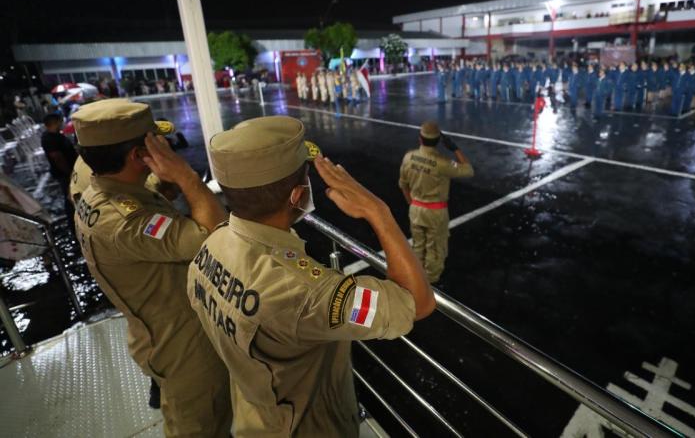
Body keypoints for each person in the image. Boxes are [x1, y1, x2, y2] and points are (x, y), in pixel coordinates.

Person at [188, 116, 435, 436]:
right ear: (296, 195)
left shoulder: (211, 246)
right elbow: (417, 303)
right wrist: (378, 211)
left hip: (255, 418)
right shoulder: (303, 292)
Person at [70, 99, 233, 437]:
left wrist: (162, 189)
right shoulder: (122, 220)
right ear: (137, 155)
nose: (163, 145)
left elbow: (138, 211)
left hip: (158, 329)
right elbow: (212, 233)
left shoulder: (98, 192)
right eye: (154, 141)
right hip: (183, 345)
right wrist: (187, 177)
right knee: (200, 426)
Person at [399, 121, 474, 283]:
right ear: (439, 141)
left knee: (418, 246)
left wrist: (412, 204)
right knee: (435, 250)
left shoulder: (408, 157)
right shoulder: (443, 163)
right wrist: (455, 149)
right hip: (435, 212)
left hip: (416, 208)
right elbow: (468, 170)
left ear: (420, 138)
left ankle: (416, 280)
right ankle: (430, 284)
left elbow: (403, 185)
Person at [41, 113, 78, 233]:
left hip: (67, 172)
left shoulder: (56, 135)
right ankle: (74, 225)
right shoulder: (49, 139)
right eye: (60, 121)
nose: (62, 123)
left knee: (71, 197)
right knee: (70, 199)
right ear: (55, 122)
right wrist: (69, 173)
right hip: (64, 174)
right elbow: (57, 158)